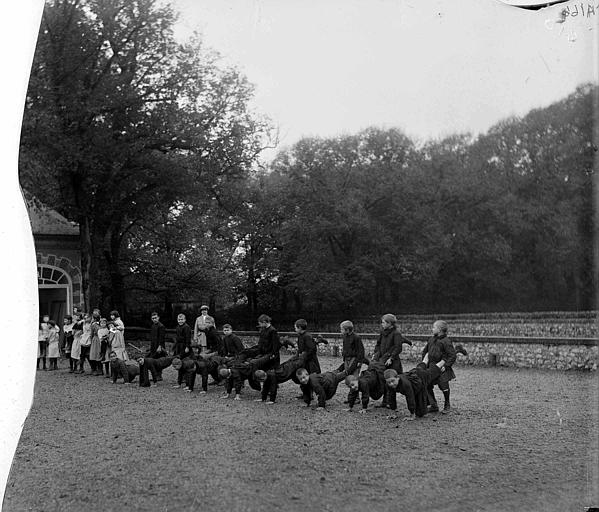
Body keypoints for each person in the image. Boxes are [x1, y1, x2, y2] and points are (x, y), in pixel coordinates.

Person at [372, 313, 412, 407]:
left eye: (384, 322)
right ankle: (385, 401)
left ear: (390, 324)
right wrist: (376, 354)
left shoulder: (396, 333)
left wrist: (391, 358)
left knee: (392, 381)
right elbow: (378, 344)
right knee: (384, 380)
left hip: (392, 362)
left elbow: (398, 347)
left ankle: (392, 403)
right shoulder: (382, 332)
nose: (382, 324)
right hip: (382, 360)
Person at [421, 320, 457, 414]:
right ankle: (433, 405)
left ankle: (447, 404)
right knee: (426, 383)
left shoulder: (446, 341)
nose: (432, 329)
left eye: (434, 327)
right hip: (431, 367)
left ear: (440, 330)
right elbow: (425, 351)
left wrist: (446, 365)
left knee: (443, 385)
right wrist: (425, 363)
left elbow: (452, 355)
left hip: (442, 368)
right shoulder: (431, 339)